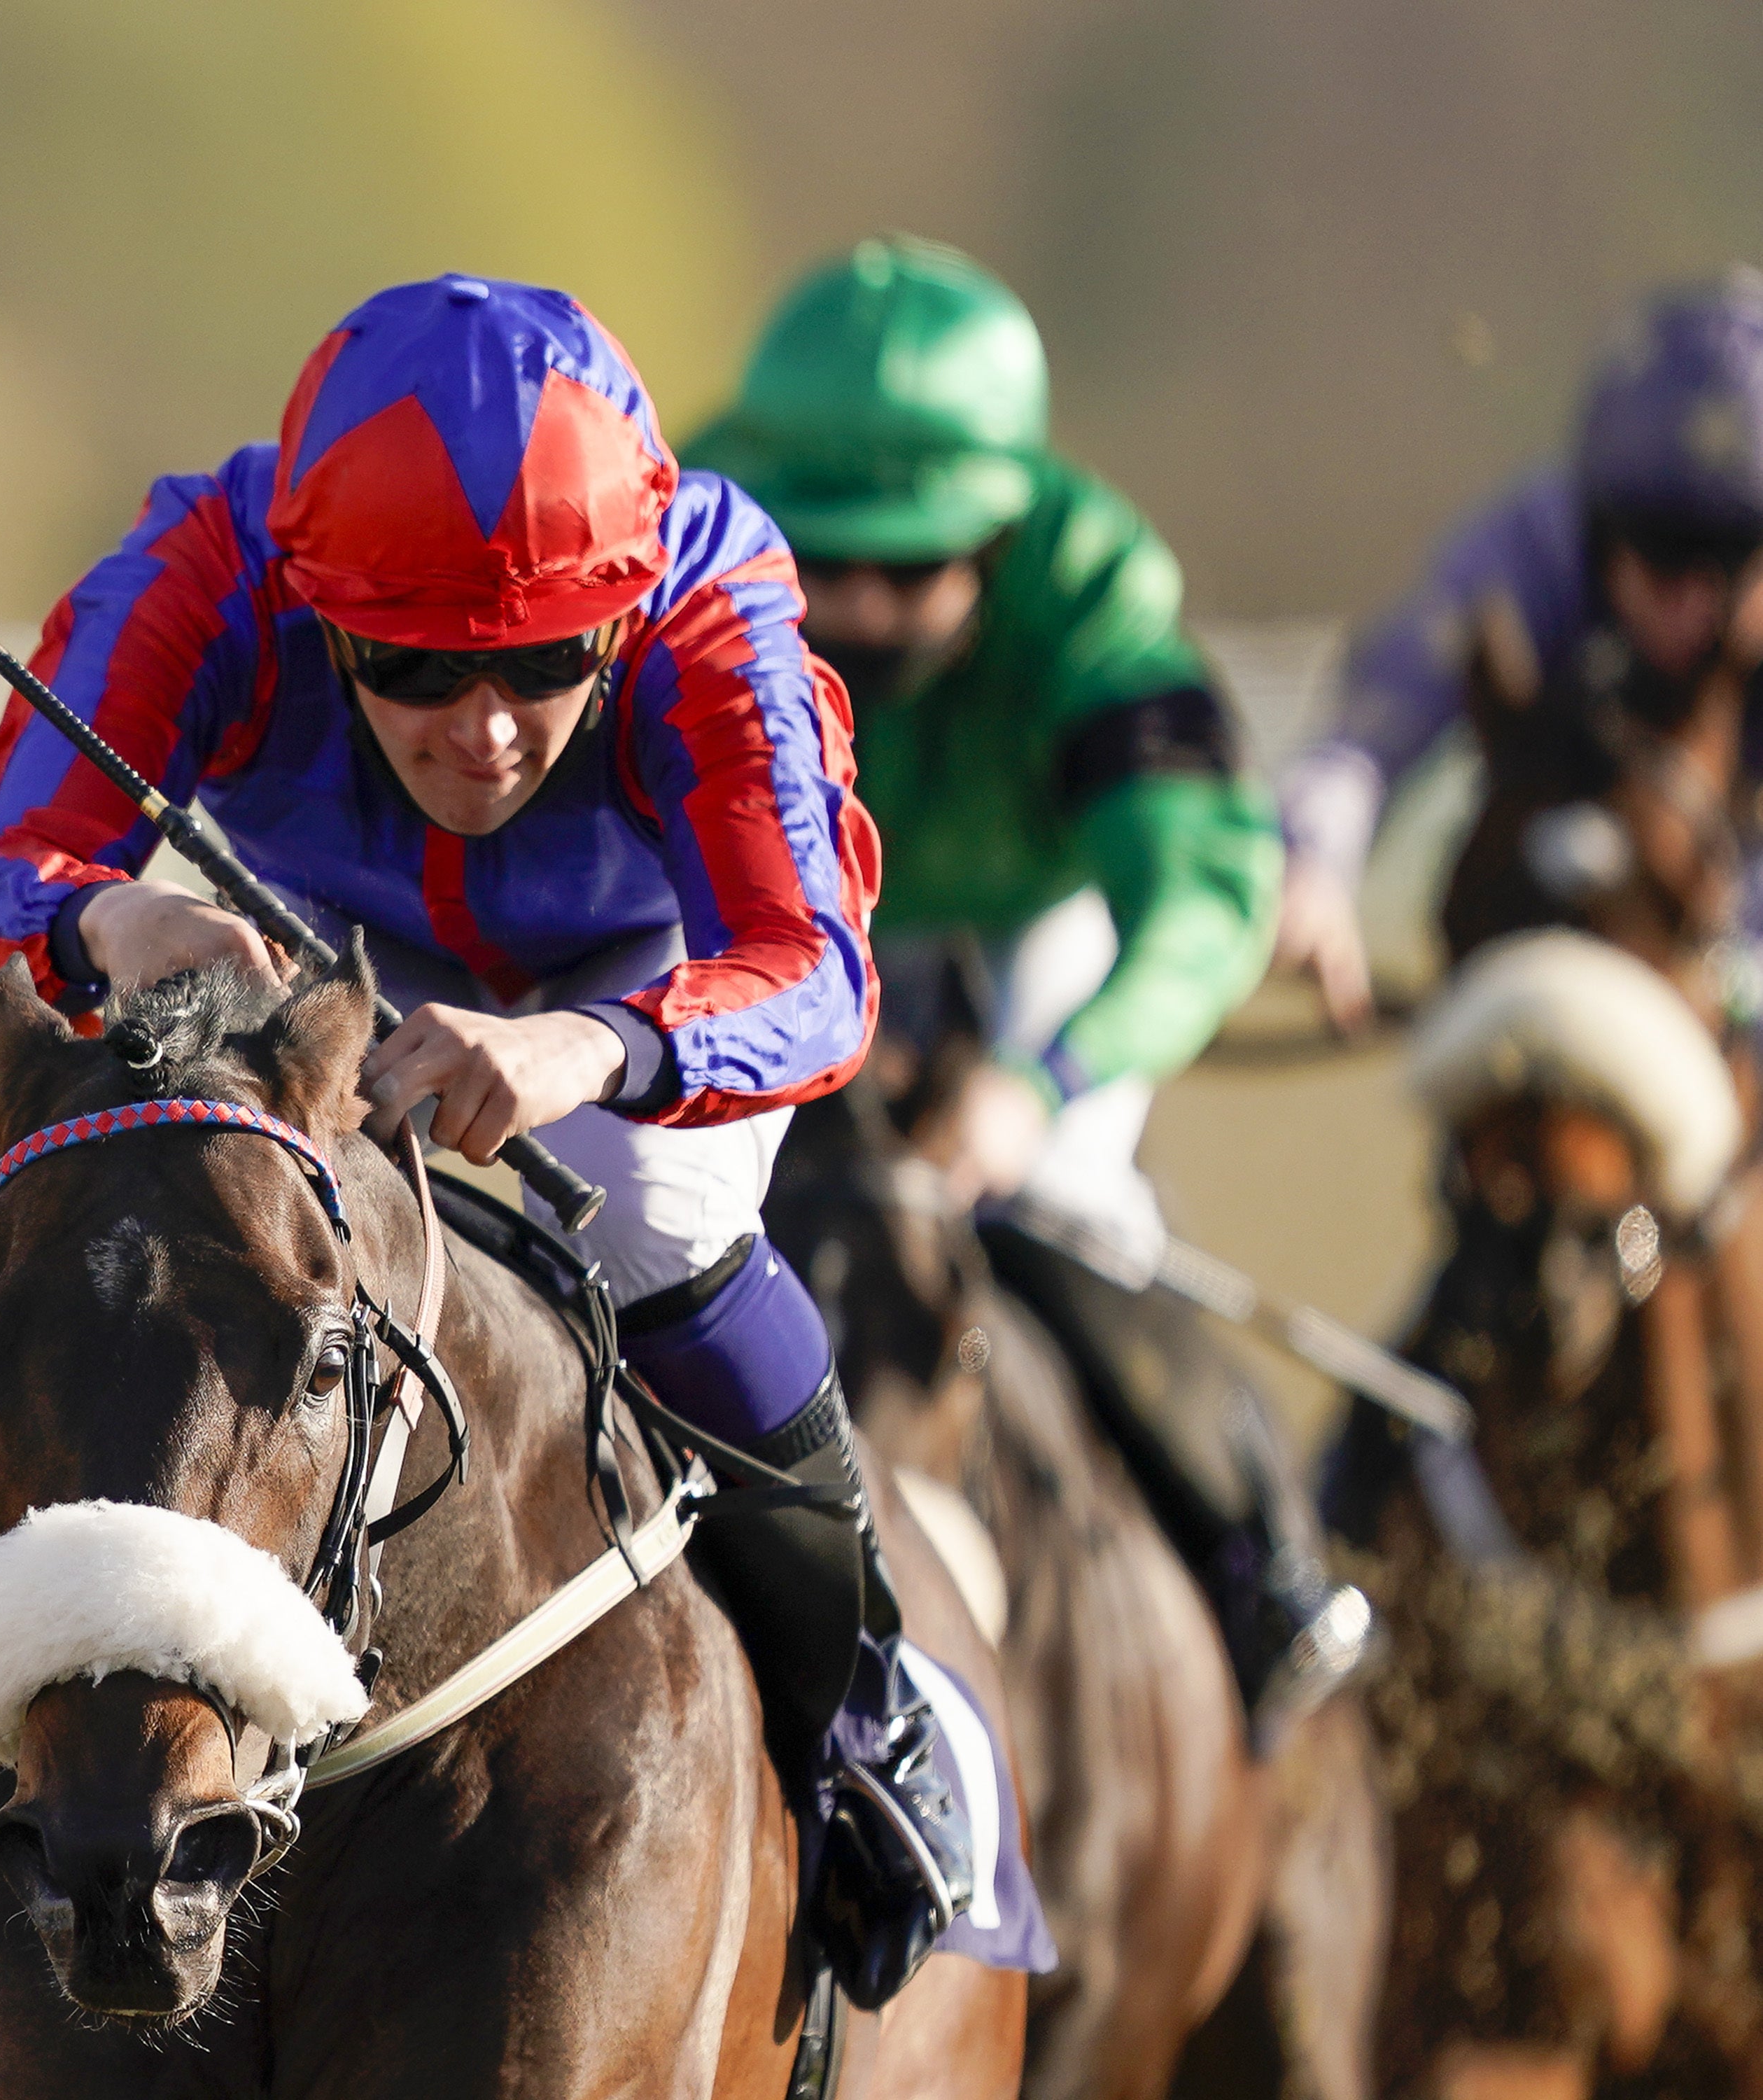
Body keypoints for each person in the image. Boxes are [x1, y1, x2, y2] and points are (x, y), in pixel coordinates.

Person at [0, 274, 1051, 2007]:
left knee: (651, 1227)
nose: (485, 730)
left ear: (616, 612)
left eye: (548, 663)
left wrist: (592, 1046)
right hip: (308, 943)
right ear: (319, 605)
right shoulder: (204, 561)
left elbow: (808, 968)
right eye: (413, 667)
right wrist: (109, 921)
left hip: (628, 981)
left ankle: (854, 1694)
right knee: (113, 1216)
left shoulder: (709, 591)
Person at [680, 237, 1371, 1746]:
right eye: (824, 557)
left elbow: (1199, 886)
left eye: (909, 566)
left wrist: (1048, 1077)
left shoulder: (1092, 591)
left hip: (1023, 931)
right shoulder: (680, 525)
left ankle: (1258, 1556)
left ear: (1000, 535)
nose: (855, 606)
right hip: (772, 915)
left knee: (1056, 1200)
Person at [1272, 271, 1763, 1023]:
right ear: (1602, 519)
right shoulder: (1530, 551)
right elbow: (1366, 740)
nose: (1688, 601)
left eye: (1726, 559)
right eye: (1660, 553)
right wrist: (1310, 868)